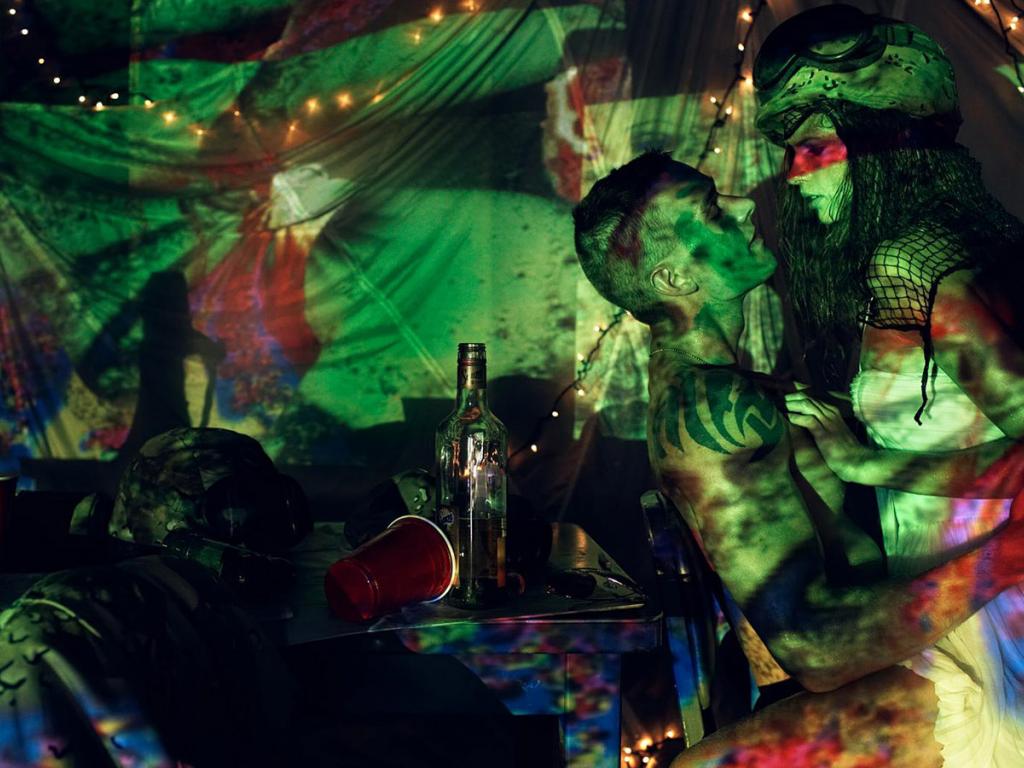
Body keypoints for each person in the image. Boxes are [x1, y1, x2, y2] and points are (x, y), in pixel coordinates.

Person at [572, 150, 1024, 765]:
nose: (745, 205)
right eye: (713, 209)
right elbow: (816, 651)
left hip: (910, 659)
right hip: (891, 688)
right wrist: (1008, 555)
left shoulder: (742, 391)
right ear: (673, 280)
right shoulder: (712, 412)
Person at [755, 6, 1024, 765]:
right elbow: (952, 412)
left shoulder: (911, 263)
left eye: (815, 146)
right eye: (791, 150)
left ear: (885, 144)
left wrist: (869, 463)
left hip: (988, 611)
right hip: (944, 598)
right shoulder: (956, 245)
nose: (795, 172)